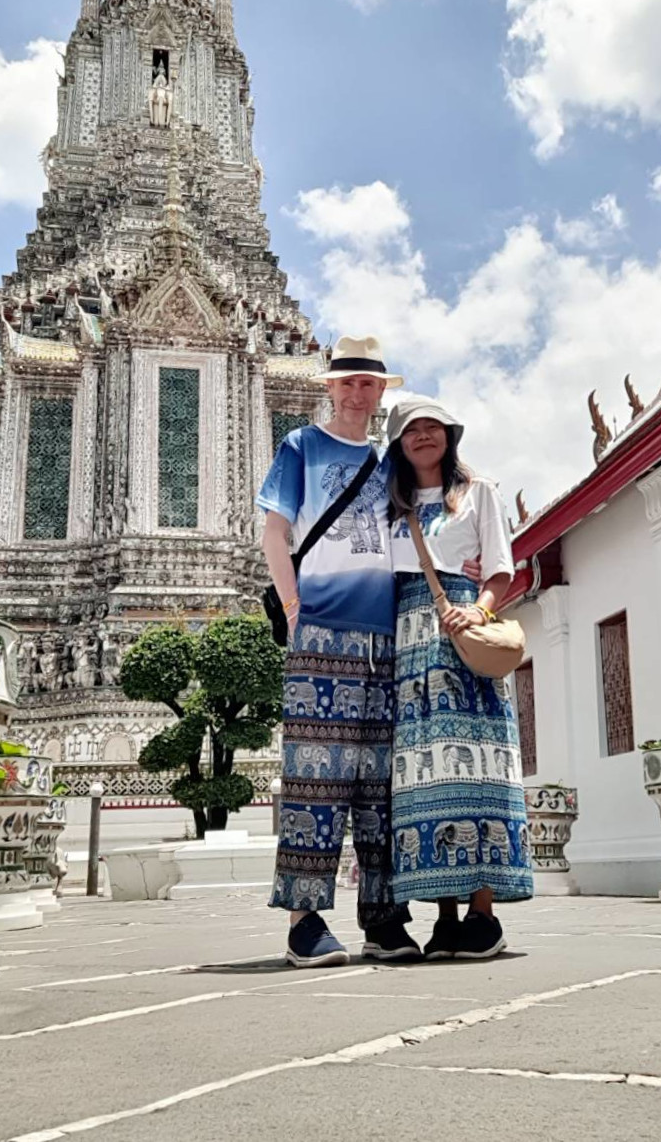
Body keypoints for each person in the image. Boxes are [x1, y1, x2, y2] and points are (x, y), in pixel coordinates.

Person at [258, 336, 422, 967]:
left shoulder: (391, 462)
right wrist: (295, 607)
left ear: (383, 393)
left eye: (369, 384)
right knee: (315, 775)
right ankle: (305, 920)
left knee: (380, 786)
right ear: (329, 387)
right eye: (347, 382)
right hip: (322, 629)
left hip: (385, 637)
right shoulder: (302, 445)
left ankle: (382, 917)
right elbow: (276, 533)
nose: (357, 393)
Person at [387, 396, 532, 959]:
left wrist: (479, 609)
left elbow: (500, 567)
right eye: (411, 431)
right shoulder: (391, 505)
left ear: (450, 436)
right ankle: (444, 915)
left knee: (478, 767)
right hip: (408, 643)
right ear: (398, 443)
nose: (423, 437)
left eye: (433, 428)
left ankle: (483, 912)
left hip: (459, 632)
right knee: (426, 774)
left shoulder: (479, 493)